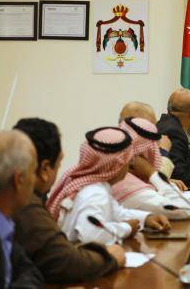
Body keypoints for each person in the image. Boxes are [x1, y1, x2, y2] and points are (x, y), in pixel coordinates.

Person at [13, 118, 125, 284]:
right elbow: (66, 262)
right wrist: (110, 258)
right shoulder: (23, 202)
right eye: (59, 163)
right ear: (45, 169)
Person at [47, 127, 171, 245]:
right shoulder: (95, 193)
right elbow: (91, 235)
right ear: (118, 164)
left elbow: (117, 212)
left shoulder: (95, 187)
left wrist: (146, 218)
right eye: (128, 160)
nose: (129, 165)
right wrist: (126, 228)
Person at [0, 130, 44, 288]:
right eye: (33, 172)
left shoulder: (3, 220)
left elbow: (31, 272)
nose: (36, 180)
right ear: (18, 180)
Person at [111, 117, 190, 220]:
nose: (157, 154)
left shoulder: (123, 176)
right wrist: (152, 173)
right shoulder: (128, 185)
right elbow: (185, 209)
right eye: (155, 149)